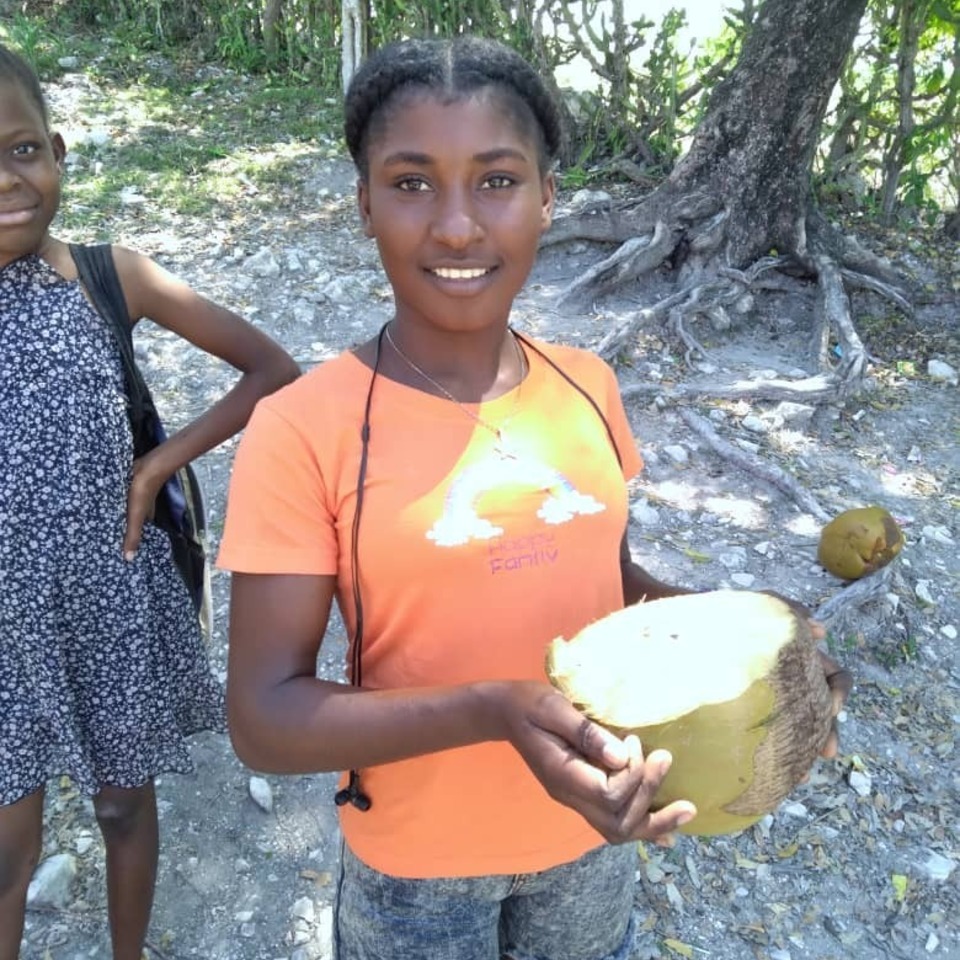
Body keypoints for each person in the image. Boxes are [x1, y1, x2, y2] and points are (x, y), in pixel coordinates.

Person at [218, 36, 851, 960]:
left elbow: (609, 583)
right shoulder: (302, 429)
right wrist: (491, 711)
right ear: (362, 204)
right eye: (410, 183)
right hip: (416, 866)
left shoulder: (587, 385)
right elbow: (263, 720)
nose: (459, 226)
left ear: (548, 198)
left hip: (596, 834)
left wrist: (773, 649)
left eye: (498, 180)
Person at [0, 44, 301, 960]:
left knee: (123, 806)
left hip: (109, 600)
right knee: (6, 847)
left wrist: (154, 467)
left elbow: (271, 368)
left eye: (20, 150)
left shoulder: (108, 277)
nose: (7, 180)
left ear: (57, 151)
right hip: (2, 624)